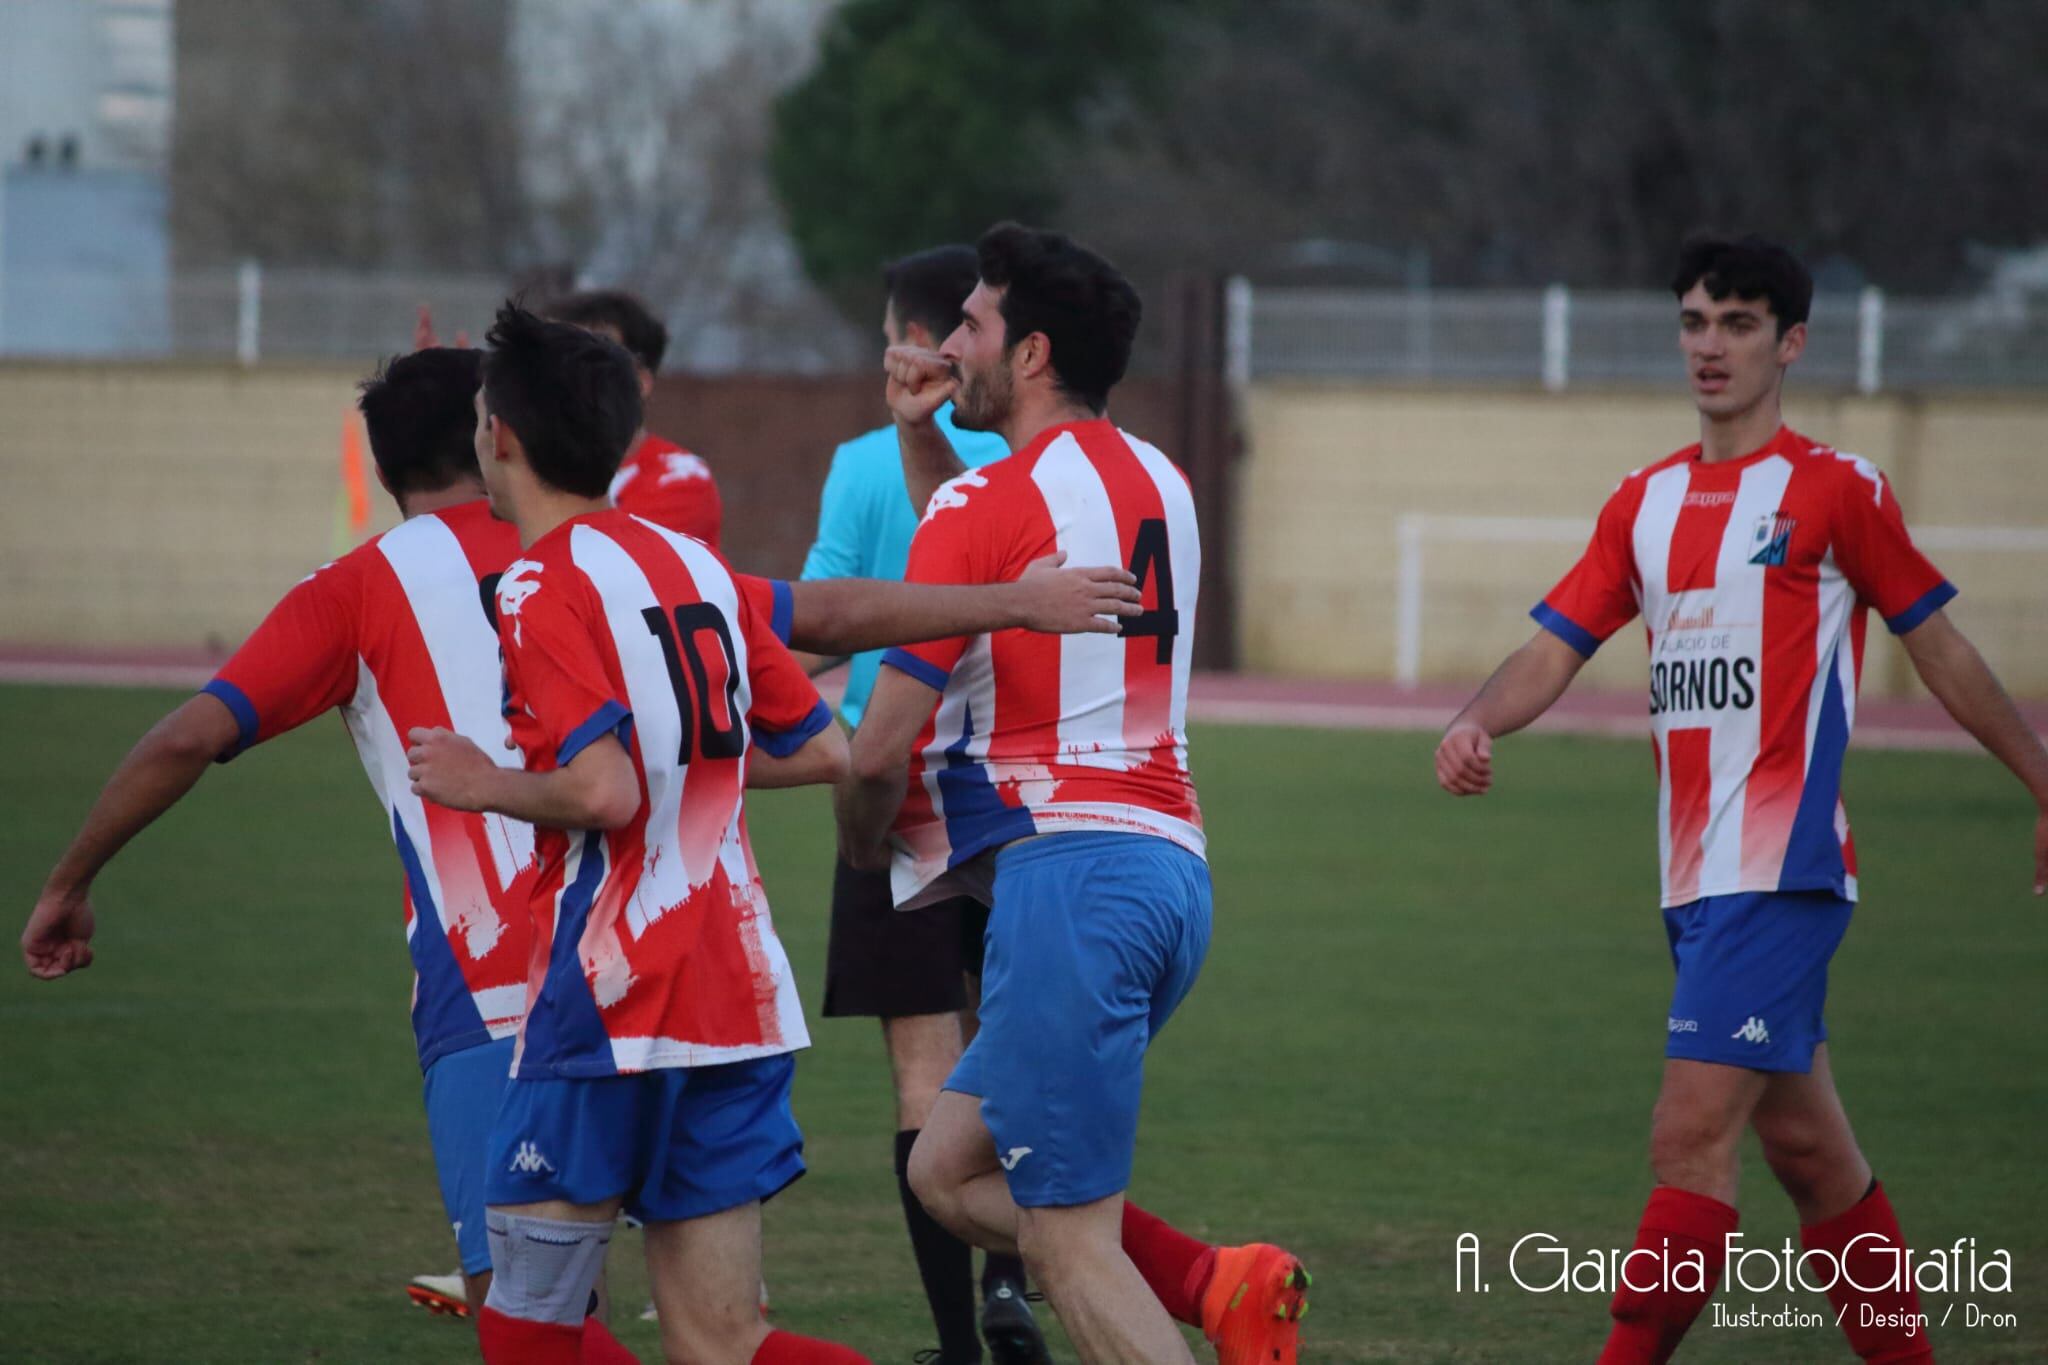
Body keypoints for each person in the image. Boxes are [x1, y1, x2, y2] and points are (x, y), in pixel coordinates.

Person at [16, 339, 1141, 1356]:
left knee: (519, 1317)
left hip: (543, 983)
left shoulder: (456, 584)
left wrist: (69, 883)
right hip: (724, 982)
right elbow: (824, 664)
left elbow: (188, 738)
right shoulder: (672, 561)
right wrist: (1008, 601)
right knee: (722, 1336)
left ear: (491, 433)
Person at [1434, 236, 2048, 1365]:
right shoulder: (1642, 503)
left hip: (1782, 868)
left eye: (1735, 324)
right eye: (1692, 323)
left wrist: (2039, 779)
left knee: (1685, 1140)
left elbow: (1942, 648)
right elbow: (1554, 644)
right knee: (1809, 1157)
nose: (1707, 346)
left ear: (1789, 343)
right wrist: (1476, 719)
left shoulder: (1833, 491)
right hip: (1689, 881)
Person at [836, 223, 1310, 1365]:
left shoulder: (981, 509)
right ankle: (1213, 1287)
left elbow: (879, 749)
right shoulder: (1162, 484)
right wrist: (921, 444)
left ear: (1031, 353)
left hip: (1067, 883)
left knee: (1068, 1246)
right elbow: (999, 546)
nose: (950, 343)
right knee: (945, 1169)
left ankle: (1203, 1299)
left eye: (972, 324)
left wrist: (863, 848)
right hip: (1167, 873)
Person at [797, 244, 1037, 1365]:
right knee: (1006, 1061)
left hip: (892, 781)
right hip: (1011, 790)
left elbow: (819, 612)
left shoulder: (863, 463)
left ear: (907, 338)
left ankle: (952, 1341)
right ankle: (1009, 1294)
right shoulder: (1025, 457)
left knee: (919, 1077)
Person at [547, 290, 722, 546]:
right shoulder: (525, 465)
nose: (567, 376)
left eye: (591, 359)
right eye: (555, 357)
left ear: (640, 381)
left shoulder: (680, 478)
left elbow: (603, 562)